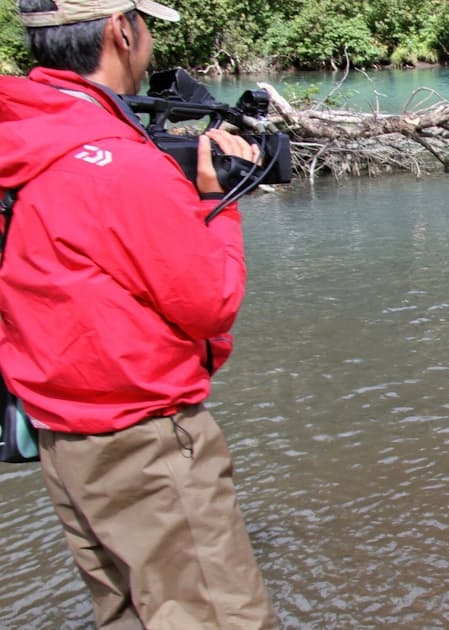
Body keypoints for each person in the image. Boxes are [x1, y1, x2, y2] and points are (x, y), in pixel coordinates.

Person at [0, 1, 280, 627]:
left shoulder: (25, 134)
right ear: (120, 31)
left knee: (127, 611)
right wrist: (218, 203)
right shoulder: (119, 165)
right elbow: (210, 303)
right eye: (146, 26)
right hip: (142, 437)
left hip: (60, 432)